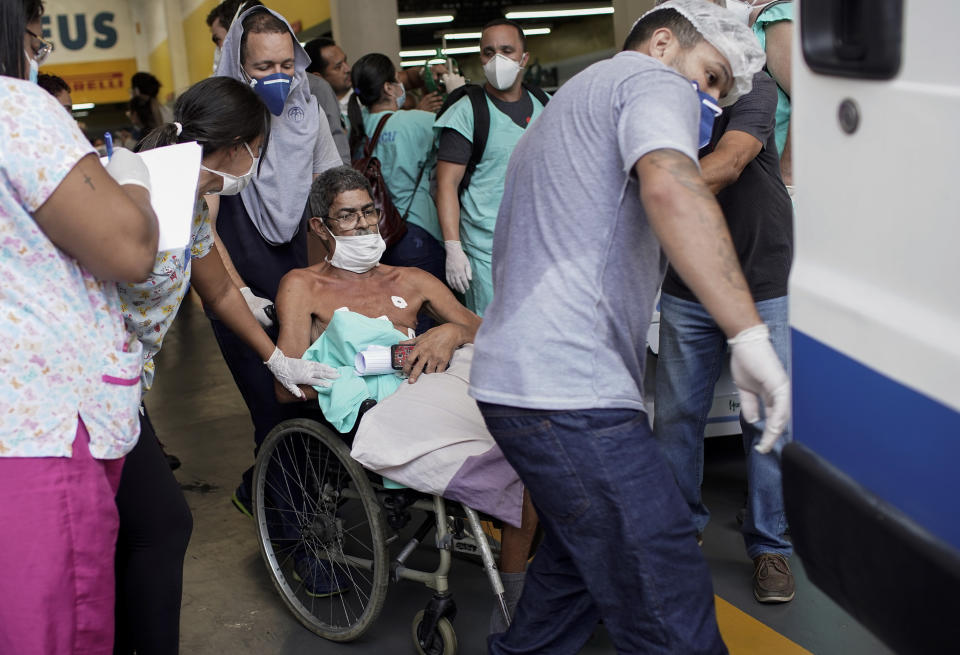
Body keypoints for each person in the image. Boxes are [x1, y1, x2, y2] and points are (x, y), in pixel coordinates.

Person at [468, 1, 785, 652]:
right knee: (669, 597)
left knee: (572, 577)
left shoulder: (564, 111)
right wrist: (747, 332)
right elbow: (672, 186)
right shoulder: (651, 80)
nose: (710, 98)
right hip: (570, 393)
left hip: (523, 384)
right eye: (712, 76)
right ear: (664, 43)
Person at [111, 76, 338, 655]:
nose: (258, 160)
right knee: (155, 528)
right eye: (258, 148)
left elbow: (218, 293)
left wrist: (279, 361)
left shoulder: (190, 200)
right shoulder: (139, 189)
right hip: (90, 387)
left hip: (125, 385)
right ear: (237, 144)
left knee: (149, 529)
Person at [273, 166, 538, 627]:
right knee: (520, 474)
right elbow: (286, 383)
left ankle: (539, 577)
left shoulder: (410, 279)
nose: (363, 226)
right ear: (320, 227)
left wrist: (452, 332)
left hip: (436, 385)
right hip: (385, 411)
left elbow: (485, 332)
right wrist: (353, 367)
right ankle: (516, 609)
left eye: (369, 212)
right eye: (347, 217)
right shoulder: (304, 285)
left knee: (538, 445)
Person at [0, 0, 159, 650]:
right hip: (35, 433)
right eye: (34, 39)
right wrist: (136, 188)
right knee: (55, 630)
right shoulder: (15, 109)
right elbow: (129, 248)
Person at [653, 68, 795, 604]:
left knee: (765, 415)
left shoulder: (751, 83)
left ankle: (771, 545)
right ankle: (679, 534)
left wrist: (647, 192)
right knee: (675, 416)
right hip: (689, 277)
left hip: (760, 276)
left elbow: (731, 161)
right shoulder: (665, 92)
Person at [213, 5, 343, 515]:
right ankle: (296, 543)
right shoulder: (219, 119)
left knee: (315, 404)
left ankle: (262, 491)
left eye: (286, 65)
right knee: (273, 408)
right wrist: (237, 292)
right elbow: (202, 222)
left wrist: (337, 271)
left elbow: (328, 190)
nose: (278, 77)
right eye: (263, 67)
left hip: (298, 273)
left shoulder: (305, 112)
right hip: (237, 279)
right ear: (238, 64)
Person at [434, 19, 548, 316]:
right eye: (488, 52)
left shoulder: (544, 104)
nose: (497, 59)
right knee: (493, 339)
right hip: (487, 251)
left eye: (507, 50)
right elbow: (446, 184)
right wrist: (453, 247)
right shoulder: (466, 112)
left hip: (539, 246)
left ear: (524, 58)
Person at [347, 53, 445, 301]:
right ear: (389, 88)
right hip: (416, 231)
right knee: (429, 318)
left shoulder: (352, 127)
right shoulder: (419, 121)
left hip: (371, 239)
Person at [303, 37, 351, 164]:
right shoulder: (311, 115)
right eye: (338, 66)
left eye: (345, 61)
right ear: (317, 77)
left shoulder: (360, 102)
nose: (347, 69)